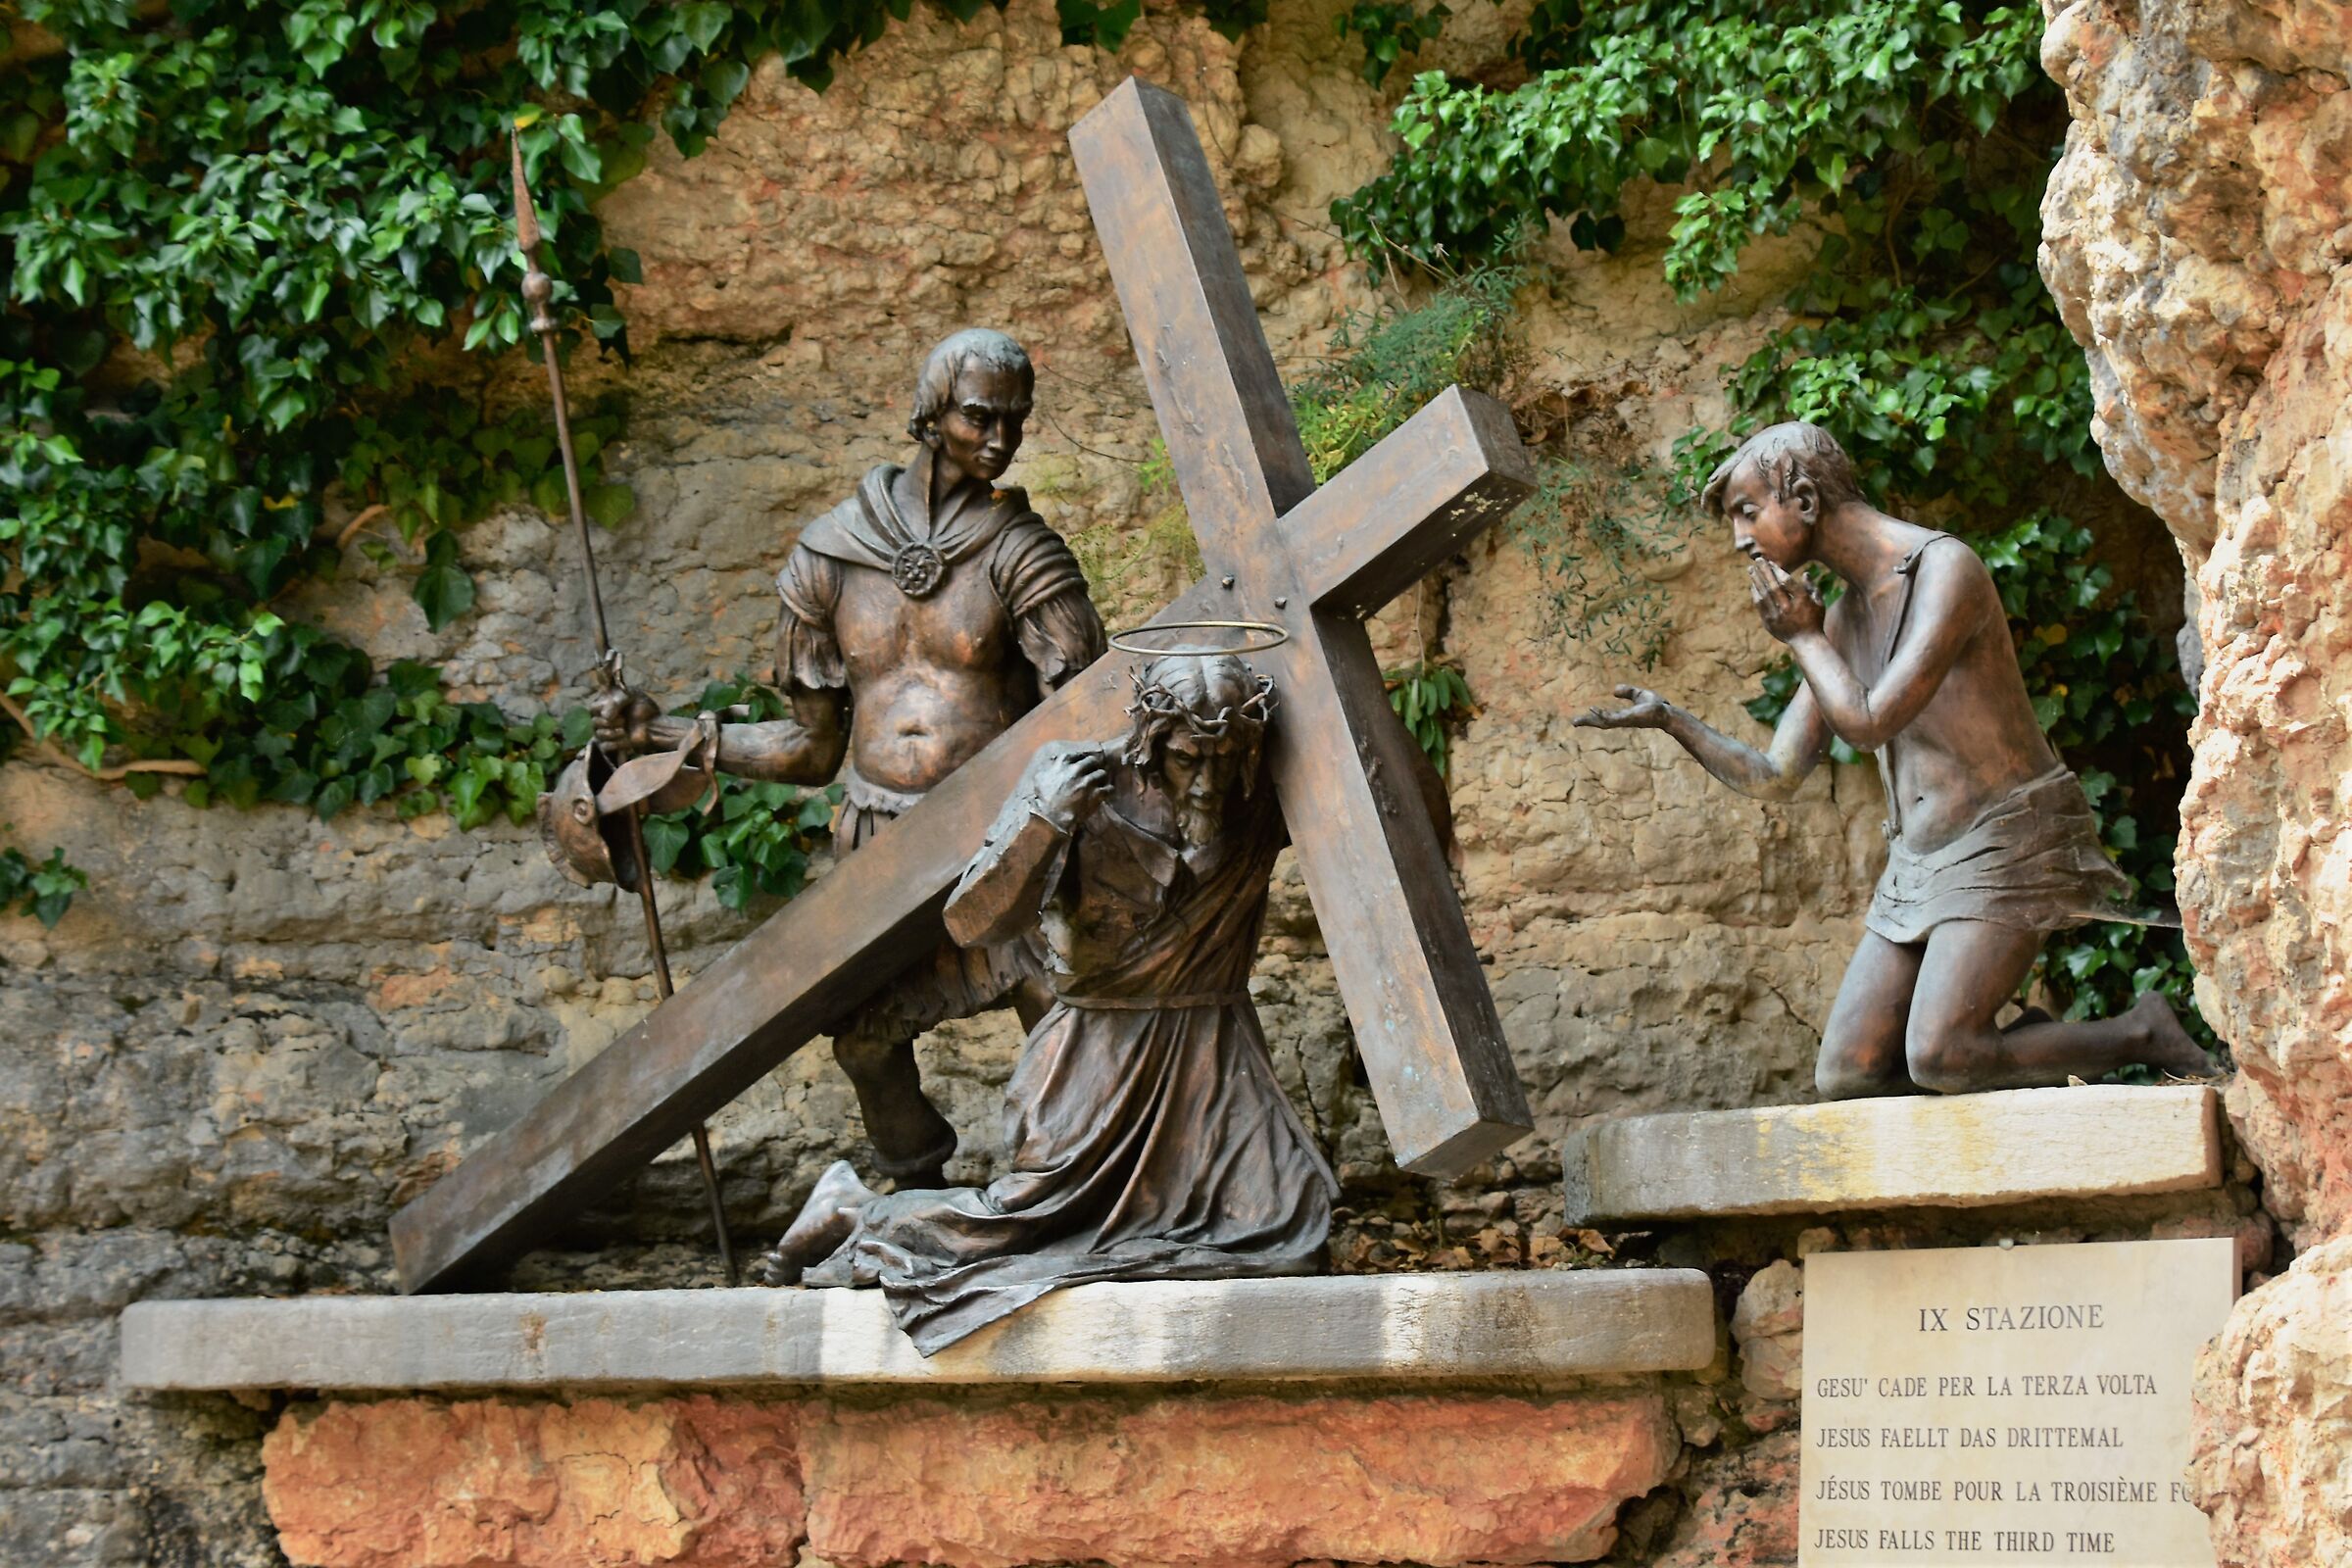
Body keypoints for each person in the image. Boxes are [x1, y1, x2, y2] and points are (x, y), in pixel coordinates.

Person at [590, 329, 1107, 1186]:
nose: (1002, 441)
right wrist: (662, 736)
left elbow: (1086, 710)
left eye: (1015, 422)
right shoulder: (826, 558)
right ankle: (912, 1197)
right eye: (981, 416)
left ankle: (1080, 1188)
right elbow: (807, 748)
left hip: (1001, 828)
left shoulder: (1024, 554)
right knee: (867, 1043)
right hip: (877, 838)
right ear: (930, 414)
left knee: (1059, 1005)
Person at [1575, 421, 2212, 1098]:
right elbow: (1778, 773)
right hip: (1919, 862)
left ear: (1804, 498)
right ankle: (2012, 1054)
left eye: (1747, 510)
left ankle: (2141, 1031)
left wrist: (1801, 637)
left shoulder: (1943, 568)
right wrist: (1674, 720)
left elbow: (1872, 723)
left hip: (2007, 838)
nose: (1739, 538)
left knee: (1941, 1056)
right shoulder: (1847, 617)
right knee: (1848, 1074)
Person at [758, 652, 1336, 1353]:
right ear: (1152, 741)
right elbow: (973, 922)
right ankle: (853, 1211)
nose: (1210, 782)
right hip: (1096, 1055)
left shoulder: (1256, 791)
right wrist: (1044, 822)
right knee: (1028, 1223)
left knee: (1286, 1236)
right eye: (1189, 759)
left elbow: (1387, 809)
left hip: (1217, 1052)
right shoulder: (1076, 780)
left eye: (1226, 757)